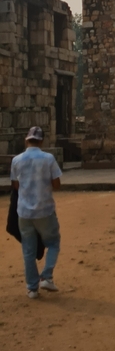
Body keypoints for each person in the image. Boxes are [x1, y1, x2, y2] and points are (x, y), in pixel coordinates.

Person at [10, 126, 62, 299]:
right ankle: (46, 276)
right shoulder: (48, 158)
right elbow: (56, 184)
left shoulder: (16, 160)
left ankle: (32, 288)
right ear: (41, 141)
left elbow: (15, 185)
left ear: (27, 140)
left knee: (28, 250)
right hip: (44, 210)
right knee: (53, 242)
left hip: (24, 212)